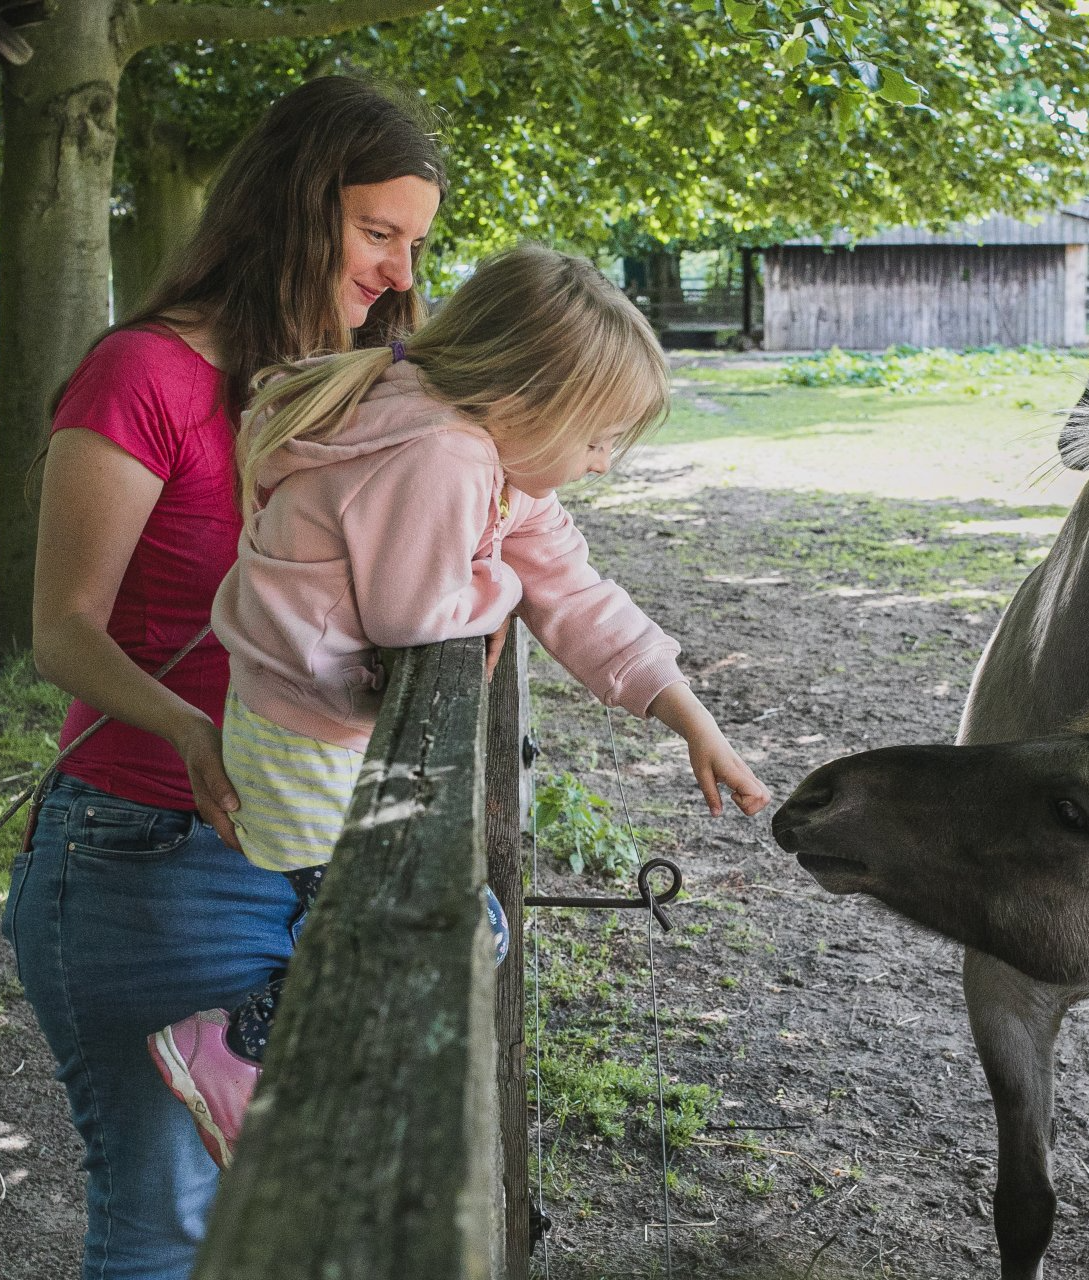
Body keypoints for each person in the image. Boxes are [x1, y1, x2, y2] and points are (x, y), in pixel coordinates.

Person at [145, 242, 773, 1168]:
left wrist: (687, 714)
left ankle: (288, 1081)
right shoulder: (440, 452)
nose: (601, 466)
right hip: (307, 741)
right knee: (451, 931)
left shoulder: (484, 456)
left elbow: (576, 590)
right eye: (598, 439)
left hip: (316, 728)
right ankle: (235, 1053)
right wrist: (501, 586)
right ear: (525, 403)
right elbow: (420, 619)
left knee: (405, 928)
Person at [2, 76, 445, 1280]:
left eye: (416, 242)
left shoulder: (353, 391)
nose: (402, 273)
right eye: (377, 233)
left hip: (301, 839)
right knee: (169, 1229)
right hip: (145, 847)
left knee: (287, 1222)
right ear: (299, 208)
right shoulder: (142, 374)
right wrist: (199, 734)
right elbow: (65, 632)